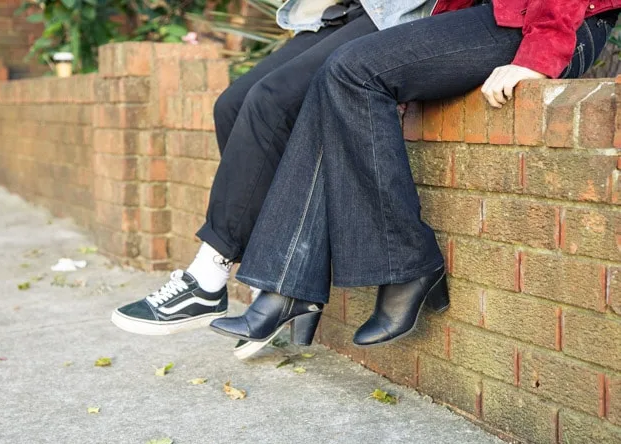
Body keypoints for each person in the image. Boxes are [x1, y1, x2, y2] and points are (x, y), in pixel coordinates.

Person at [209, 0, 620, 357]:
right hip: (495, 15)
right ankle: (285, 284)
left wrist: (540, 54)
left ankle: (408, 266)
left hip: (556, 22)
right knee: (337, 71)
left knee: (353, 70)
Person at [111, 0, 443, 337]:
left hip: (395, 11)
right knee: (232, 104)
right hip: (338, 11)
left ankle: (208, 277)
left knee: (271, 101)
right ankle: (267, 278)